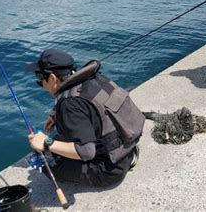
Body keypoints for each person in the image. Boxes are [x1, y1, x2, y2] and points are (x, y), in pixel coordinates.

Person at [27, 49, 145, 187]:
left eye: (40, 80)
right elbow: (92, 106)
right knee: (62, 141)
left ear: (53, 78)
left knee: (49, 163)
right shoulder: (94, 78)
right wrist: (54, 113)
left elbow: (87, 152)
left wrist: (46, 143)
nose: (40, 84)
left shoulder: (69, 105)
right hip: (127, 151)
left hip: (109, 171)